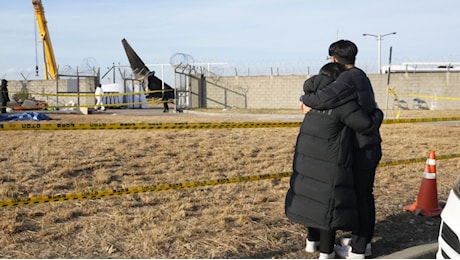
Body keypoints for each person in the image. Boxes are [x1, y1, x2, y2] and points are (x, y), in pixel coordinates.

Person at [285, 62, 383, 259]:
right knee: (327, 201)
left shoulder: (312, 100)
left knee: (311, 197)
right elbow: (364, 123)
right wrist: (378, 113)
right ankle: (329, 251)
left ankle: (312, 241)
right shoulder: (340, 104)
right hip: (329, 160)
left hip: (307, 159)